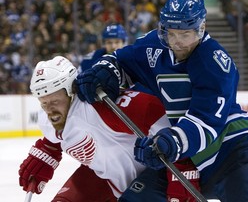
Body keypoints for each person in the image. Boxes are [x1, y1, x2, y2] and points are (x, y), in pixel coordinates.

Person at [75, 0, 248, 201]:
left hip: (230, 153)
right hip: (182, 156)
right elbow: (122, 60)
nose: (177, 42)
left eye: (185, 34)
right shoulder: (154, 45)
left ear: (201, 28)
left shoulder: (215, 63)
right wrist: (106, 70)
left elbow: (206, 122)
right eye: (171, 33)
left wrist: (172, 142)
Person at [18, 55, 200, 201]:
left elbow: (157, 115)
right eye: (44, 103)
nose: (49, 109)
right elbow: (54, 140)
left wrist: (182, 167)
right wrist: (46, 154)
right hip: (103, 178)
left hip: (148, 175)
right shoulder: (47, 118)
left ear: (71, 91)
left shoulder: (101, 106)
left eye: (55, 101)